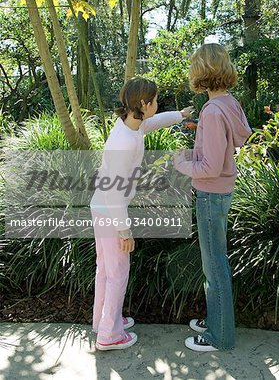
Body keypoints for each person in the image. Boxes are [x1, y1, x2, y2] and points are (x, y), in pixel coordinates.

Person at [90, 77, 193, 351]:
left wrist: (180, 116)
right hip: (110, 210)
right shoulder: (124, 142)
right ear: (144, 104)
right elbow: (114, 191)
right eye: (155, 101)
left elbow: (152, 123)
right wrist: (124, 231)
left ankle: (104, 322)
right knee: (118, 272)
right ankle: (109, 336)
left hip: (101, 207)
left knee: (106, 269)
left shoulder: (130, 124)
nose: (157, 105)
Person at [173, 43, 252, 352]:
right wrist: (190, 153)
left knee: (214, 266)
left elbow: (209, 167)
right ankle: (217, 319)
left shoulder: (213, 111)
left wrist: (180, 162)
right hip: (220, 193)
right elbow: (215, 153)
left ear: (202, 71)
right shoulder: (229, 104)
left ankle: (220, 335)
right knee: (215, 262)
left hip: (210, 194)